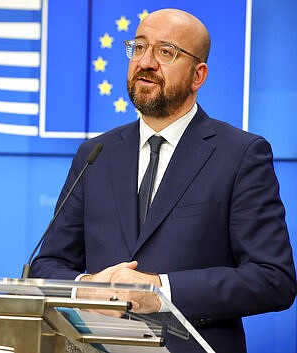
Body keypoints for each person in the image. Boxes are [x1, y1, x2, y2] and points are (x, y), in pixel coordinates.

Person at [30, 8, 297, 353]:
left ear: (198, 75)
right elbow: (46, 266)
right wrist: (85, 286)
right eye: (139, 48)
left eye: (165, 51)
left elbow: (272, 279)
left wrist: (160, 291)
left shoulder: (241, 154)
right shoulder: (95, 154)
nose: (146, 62)